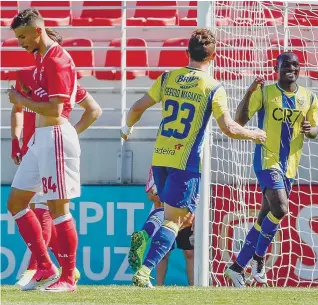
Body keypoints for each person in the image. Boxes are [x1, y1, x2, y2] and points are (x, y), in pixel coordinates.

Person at [120, 28, 266, 288]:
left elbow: (138, 107)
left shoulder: (168, 78)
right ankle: (144, 270)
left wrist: (127, 128)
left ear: (187, 53)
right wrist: (254, 134)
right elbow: (229, 128)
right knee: (178, 220)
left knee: (164, 211)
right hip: (185, 163)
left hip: (160, 158)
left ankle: (145, 233)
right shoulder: (213, 87)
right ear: (213, 57)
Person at [224, 52, 318, 287]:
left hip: (290, 166)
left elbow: (316, 130)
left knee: (265, 217)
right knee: (281, 208)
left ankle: (236, 268)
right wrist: (249, 92)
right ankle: (258, 258)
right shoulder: (266, 93)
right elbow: (240, 120)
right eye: (286, 64)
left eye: (295, 65)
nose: (291, 68)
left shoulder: (309, 97)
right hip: (267, 160)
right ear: (277, 68)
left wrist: (310, 129)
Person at [7, 8, 82, 292]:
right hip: (40, 140)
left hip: (55, 137)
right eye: (18, 38)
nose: (21, 42)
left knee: (58, 209)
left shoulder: (58, 59)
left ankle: (68, 277)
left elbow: (57, 108)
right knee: (15, 203)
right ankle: (45, 266)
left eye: (24, 36)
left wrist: (20, 99)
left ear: (39, 30)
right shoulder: (41, 60)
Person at [12, 61, 101, 287]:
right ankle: (52, 267)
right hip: (33, 148)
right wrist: (16, 139)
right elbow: (18, 110)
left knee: (45, 209)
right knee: (26, 207)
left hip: (53, 147)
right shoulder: (26, 75)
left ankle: (42, 269)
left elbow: (94, 110)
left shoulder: (63, 80)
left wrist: (70, 132)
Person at [128, 168, 194, 286]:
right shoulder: (189, 162)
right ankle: (157, 283)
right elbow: (151, 195)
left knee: (189, 252)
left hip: (179, 213)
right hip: (176, 213)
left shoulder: (160, 159)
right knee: (164, 253)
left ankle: (145, 234)